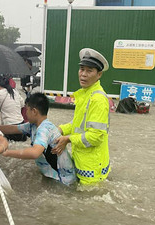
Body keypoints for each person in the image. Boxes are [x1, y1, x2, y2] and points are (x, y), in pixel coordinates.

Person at [52, 48, 111, 185]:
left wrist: (68, 139)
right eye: (82, 69)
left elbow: (95, 136)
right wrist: (60, 129)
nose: (83, 74)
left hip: (92, 169)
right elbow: (78, 125)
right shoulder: (85, 94)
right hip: (82, 161)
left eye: (89, 71)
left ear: (99, 74)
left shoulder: (97, 99)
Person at [0, 93, 76, 186]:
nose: (25, 113)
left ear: (34, 111)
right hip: (53, 176)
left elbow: (34, 153)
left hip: (63, 181)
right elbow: (13, 128)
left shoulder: (44, 129)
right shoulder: (33, 126)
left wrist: (6, 152)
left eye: (27, 110)